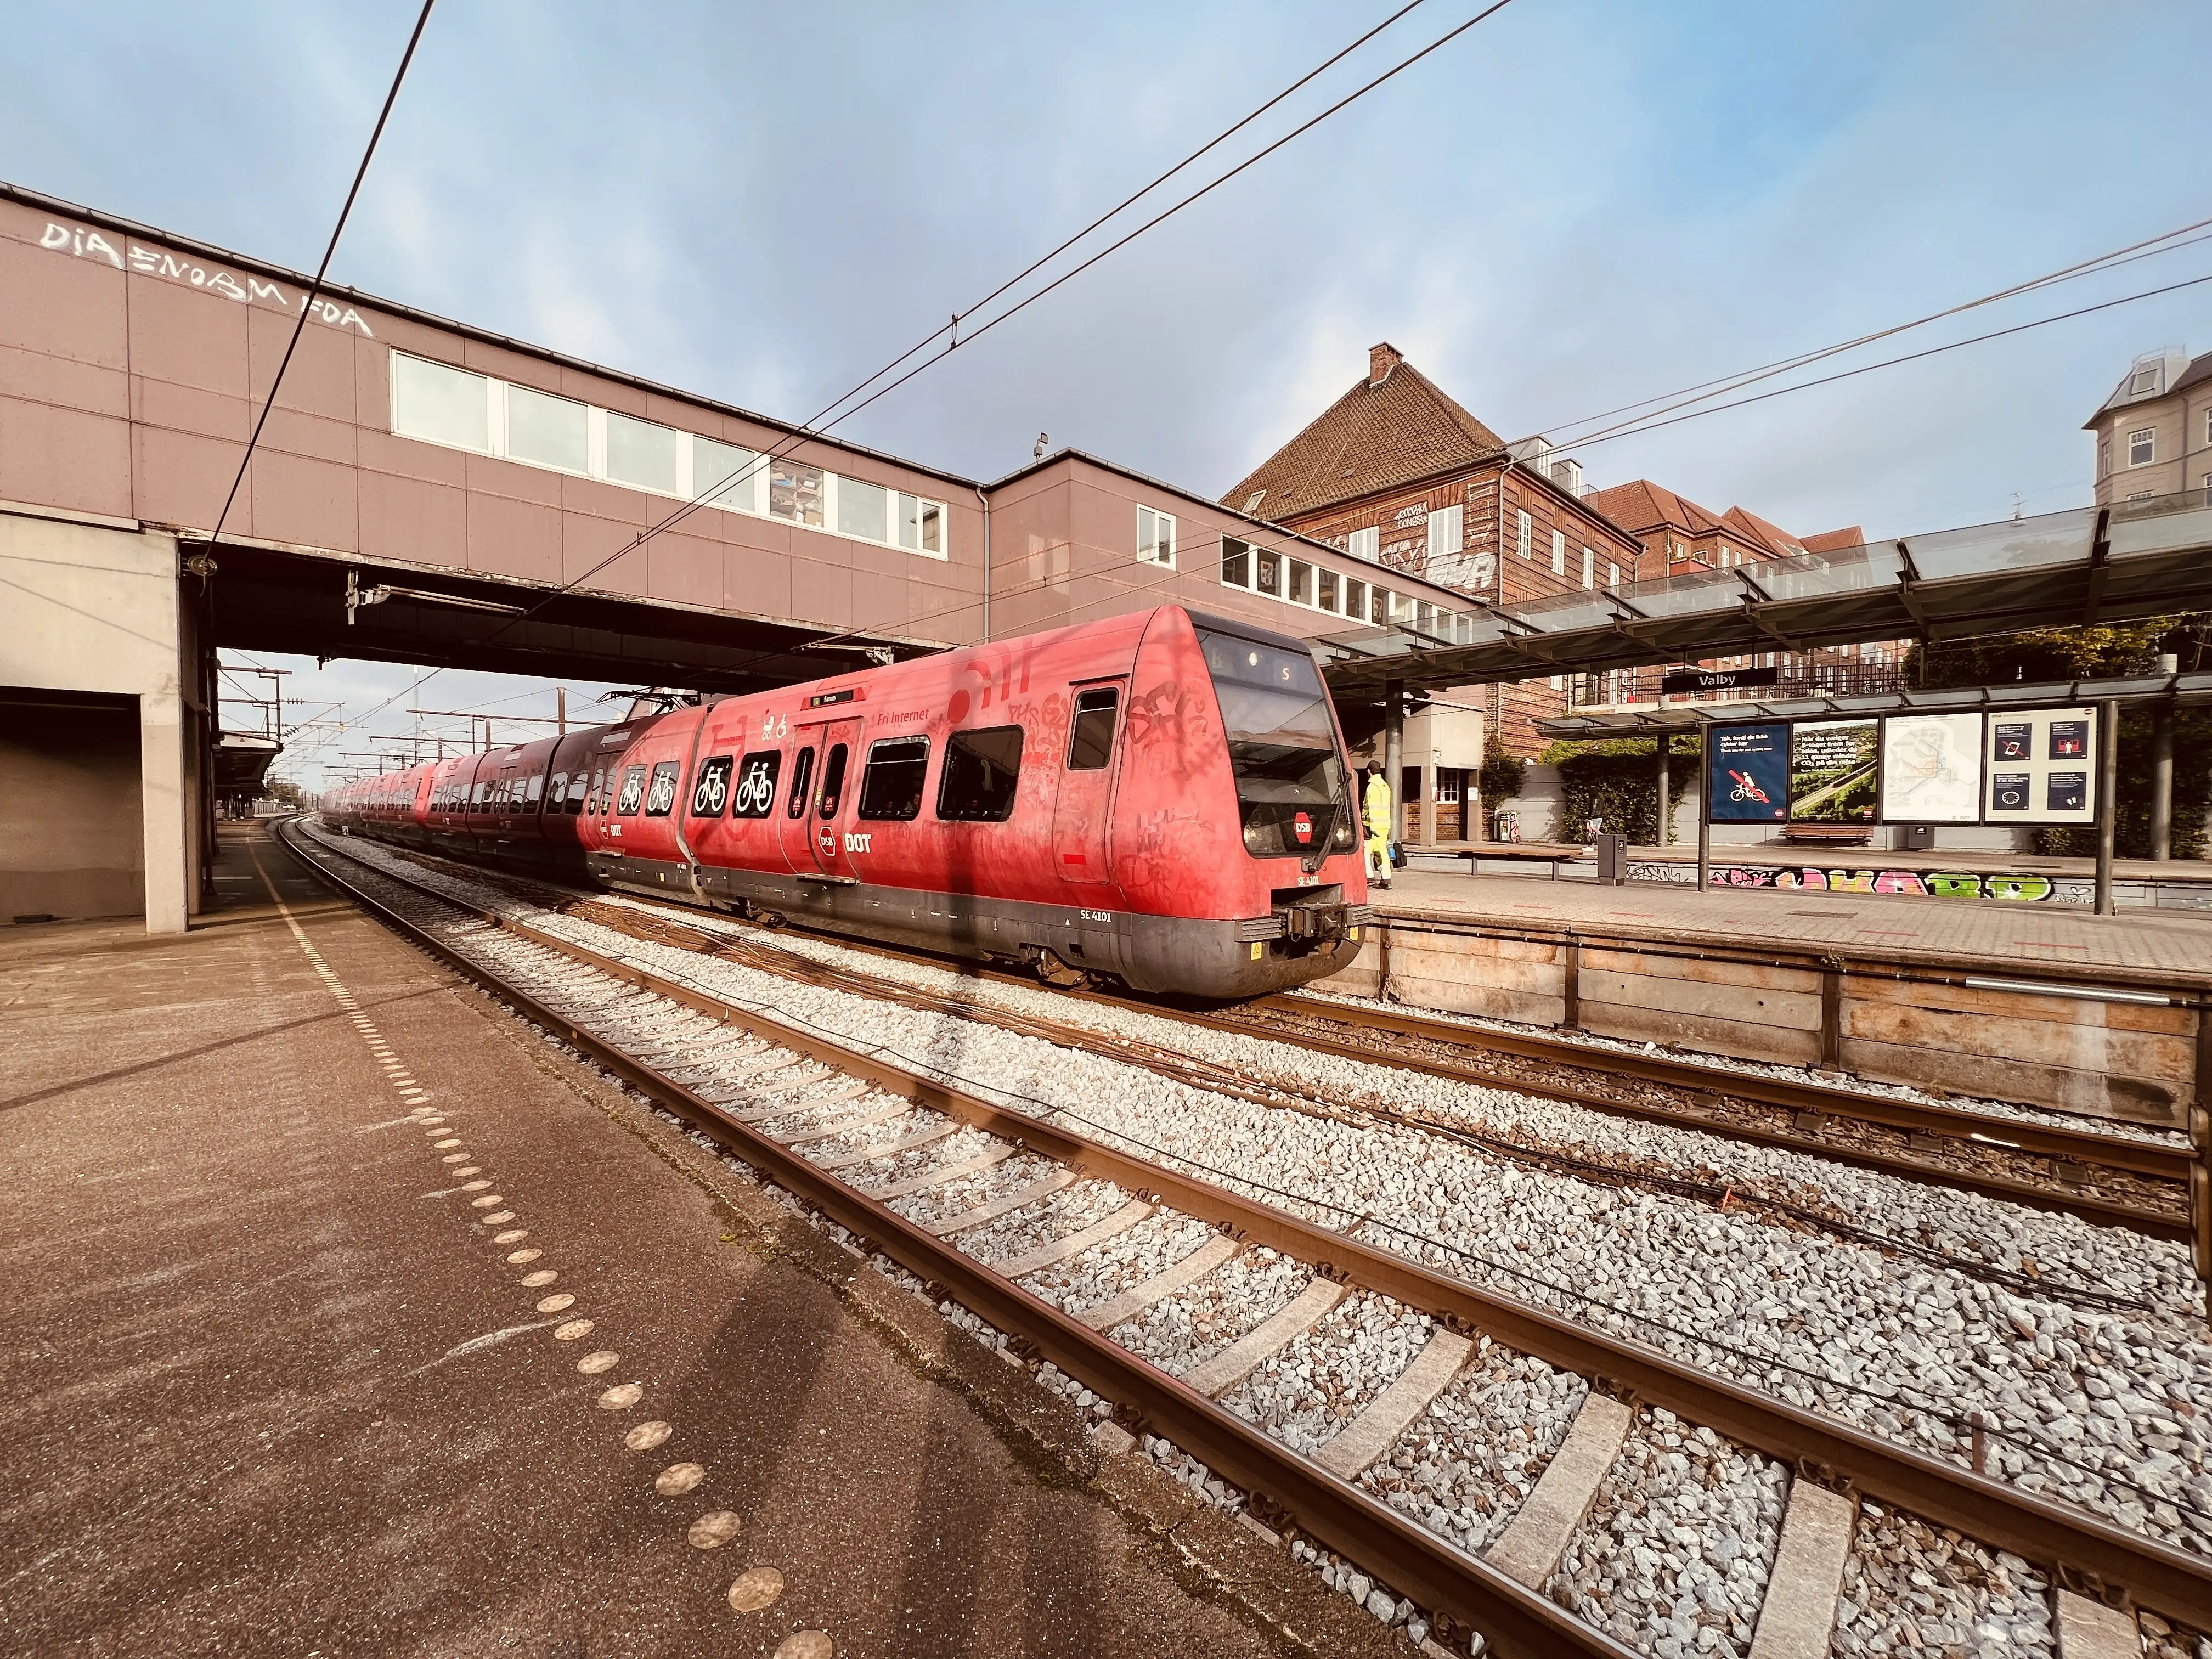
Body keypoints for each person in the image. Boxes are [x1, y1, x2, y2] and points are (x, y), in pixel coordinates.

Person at [1363, 767, 1394, 889]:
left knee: (1365, 851)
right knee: (1382, 852)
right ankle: (1387, 880)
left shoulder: (1372, 787)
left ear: (1369, 771)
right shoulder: (1385, 786)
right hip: (1384, 826)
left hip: (1372, 826)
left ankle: (1368, 877)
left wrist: (1372, 827)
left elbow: (1372, 808)